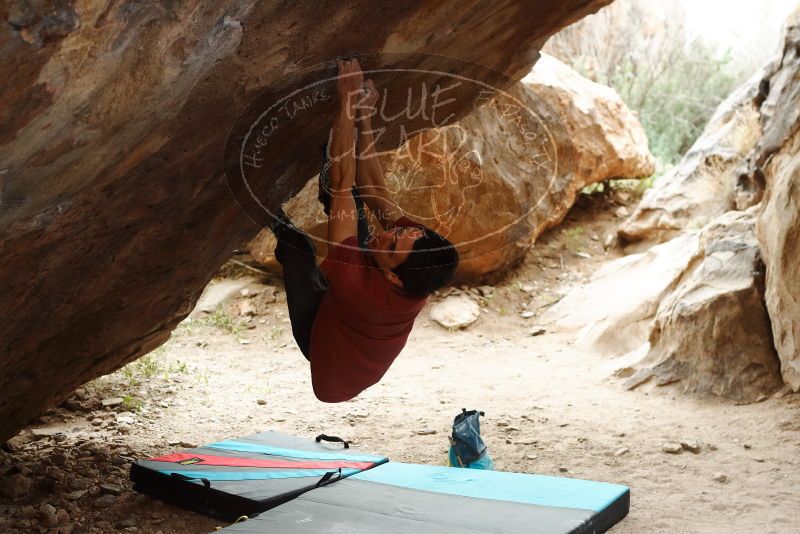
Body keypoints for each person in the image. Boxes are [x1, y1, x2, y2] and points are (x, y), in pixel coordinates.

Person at [268, 58, 459, 402]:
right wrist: (364, 115)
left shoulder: (363, 288)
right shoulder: (416, 256)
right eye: (400, 233)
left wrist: (345, 102)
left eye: (390, 247)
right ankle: (328, 154)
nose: (386, 235)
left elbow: (344, 182)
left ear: (394, 279)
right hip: (350, 319)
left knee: (298, 247)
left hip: (324, 349)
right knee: (352, 198)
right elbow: (375, 191)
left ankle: (259, 199)